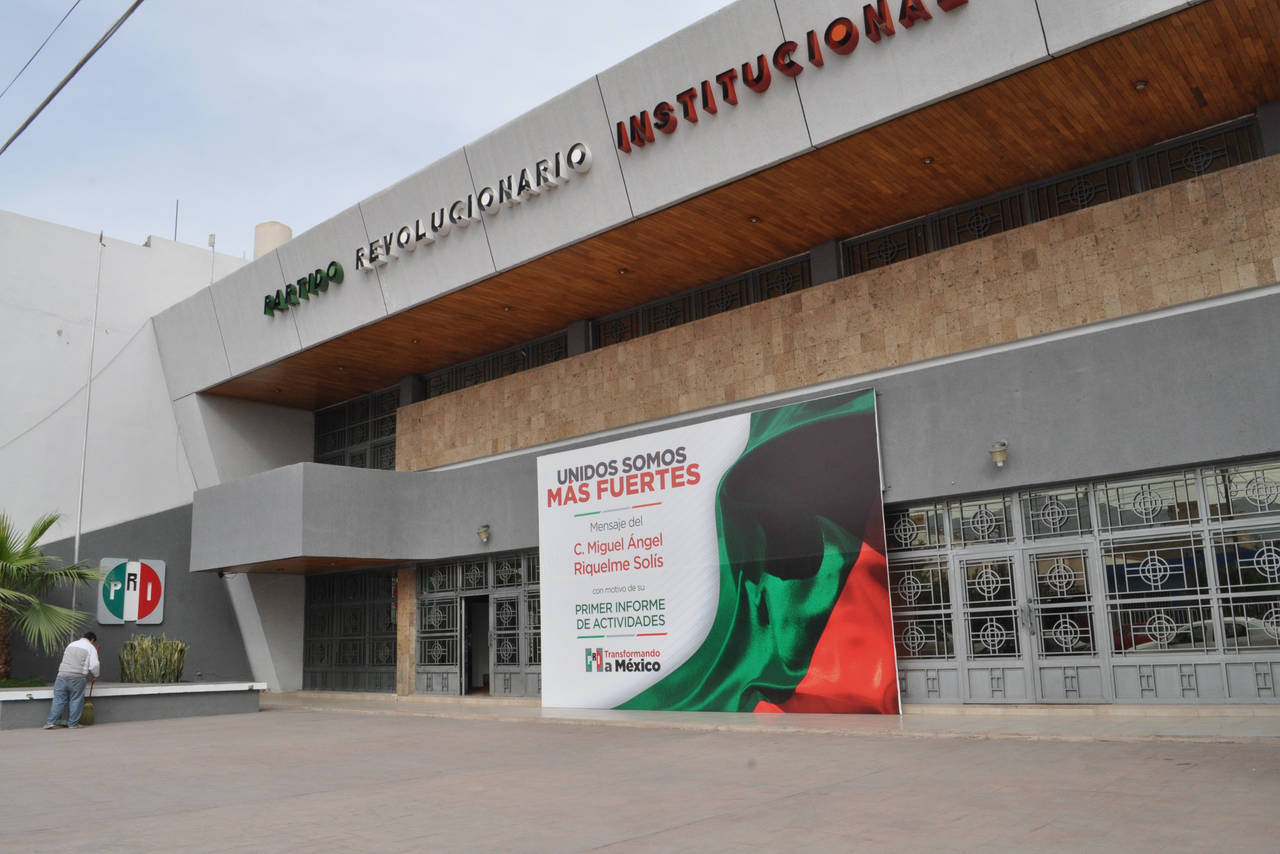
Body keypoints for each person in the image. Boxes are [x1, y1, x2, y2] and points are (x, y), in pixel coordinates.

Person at [43, 631, 100, 729]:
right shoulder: (90, 647)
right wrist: (96, 675)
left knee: (58, 699)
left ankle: (50, 722)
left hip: (61, 675)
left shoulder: (71, 644)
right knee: (76, 700)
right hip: (77, 677)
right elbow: (94, 665)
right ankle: (73, 724)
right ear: (92, 640)